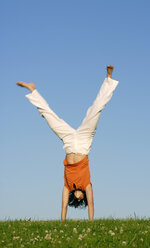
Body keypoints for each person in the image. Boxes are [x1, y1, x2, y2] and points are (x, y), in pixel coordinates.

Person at [16, 65, 119, 221]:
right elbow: (91, 205)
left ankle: (33, 90)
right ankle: (109, 79)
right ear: (83, 197)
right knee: (96, 109)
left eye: (76, 201)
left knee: (50, 117)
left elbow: (63, 207)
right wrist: (91, 223)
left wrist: (62, 223)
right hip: (84, 144)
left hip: (70, 143)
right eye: (81, 200)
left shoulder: (67, 187)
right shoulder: (87, 185)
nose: (78, 199)